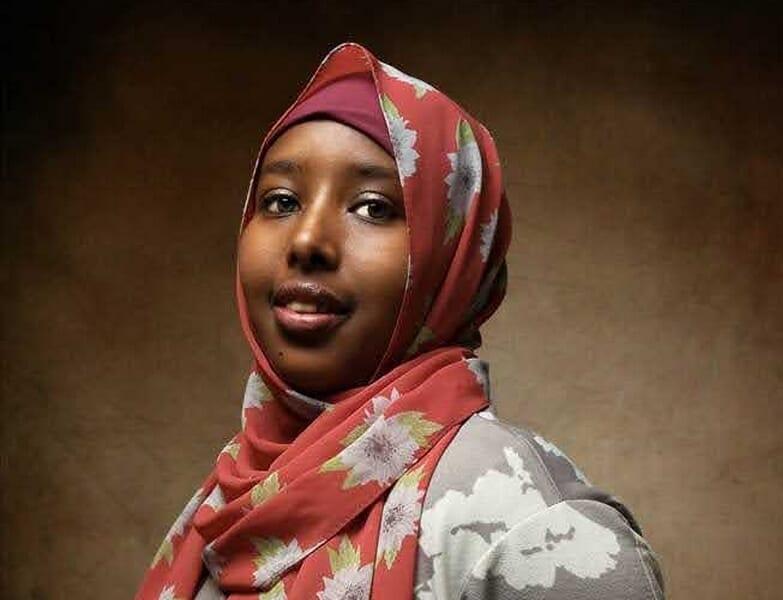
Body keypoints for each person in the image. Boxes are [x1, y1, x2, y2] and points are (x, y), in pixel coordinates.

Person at [136, 43, 665, 600]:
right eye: (281, 200)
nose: (308, 241)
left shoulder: (530, 529)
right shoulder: (228, 503)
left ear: (453, 256)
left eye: (373, 207)